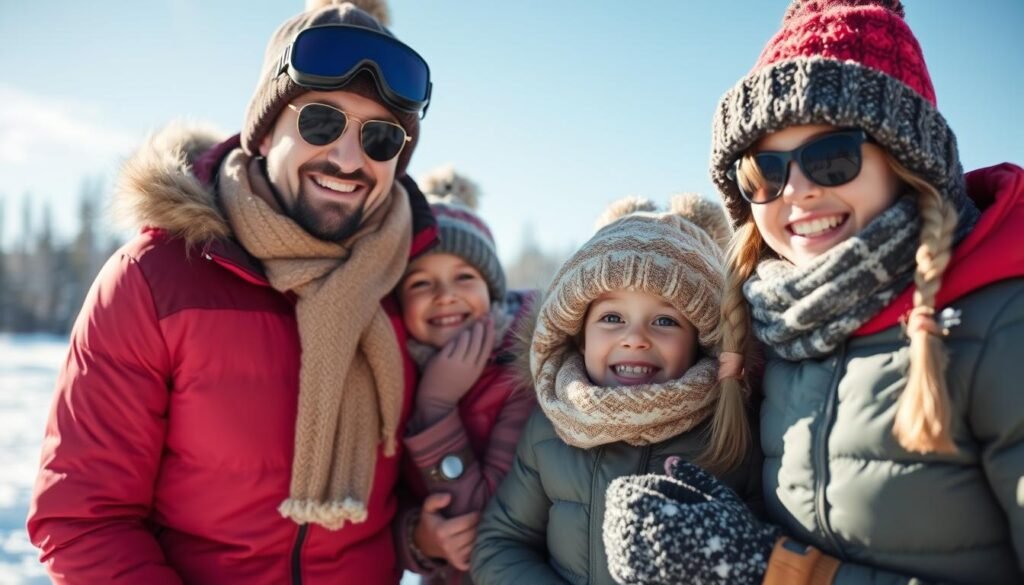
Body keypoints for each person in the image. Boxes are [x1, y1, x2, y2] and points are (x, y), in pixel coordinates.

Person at [602, 1, 1024, 584]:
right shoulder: (777, 337)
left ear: (906, 161)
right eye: (763, 171)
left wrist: (771, 571)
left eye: (831, 157)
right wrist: (717, 530)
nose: (795, 191)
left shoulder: (1003, 325)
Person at [25, 1, 439, 583]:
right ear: (266, 133)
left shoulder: (413, 289)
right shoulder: (156, 280)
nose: (349, 159)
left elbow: (441, 488)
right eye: (321, 123)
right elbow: (85, 519)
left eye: (380, 138)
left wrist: (421, 539)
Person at [470, 194, 761, 585]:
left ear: (700, 339)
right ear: (579, 336)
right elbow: (500, 543)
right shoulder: (550, 429)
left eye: (664, 320)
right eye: (612, 317)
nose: (635, 339)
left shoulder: (730, 430)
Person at [393, 165, 538, 584]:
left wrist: (436, 407)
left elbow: (485, 524)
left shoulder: (520, 371)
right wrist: (418, 540)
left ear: (491, 290)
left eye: (464, 277)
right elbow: (386, 503)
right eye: (420, 283)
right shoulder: (393, 376)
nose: (446, 295)